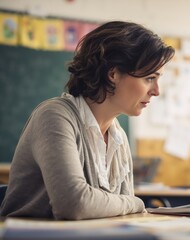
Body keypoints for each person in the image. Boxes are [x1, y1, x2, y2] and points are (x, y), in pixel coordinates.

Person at [0, 21, 175, 220]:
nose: (156, 91)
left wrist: (129, 206)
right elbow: (74, 204)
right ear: (113, 74)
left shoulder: (118, 137)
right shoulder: (55, 116)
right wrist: (135, 202)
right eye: (149, 78)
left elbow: (123, 216)